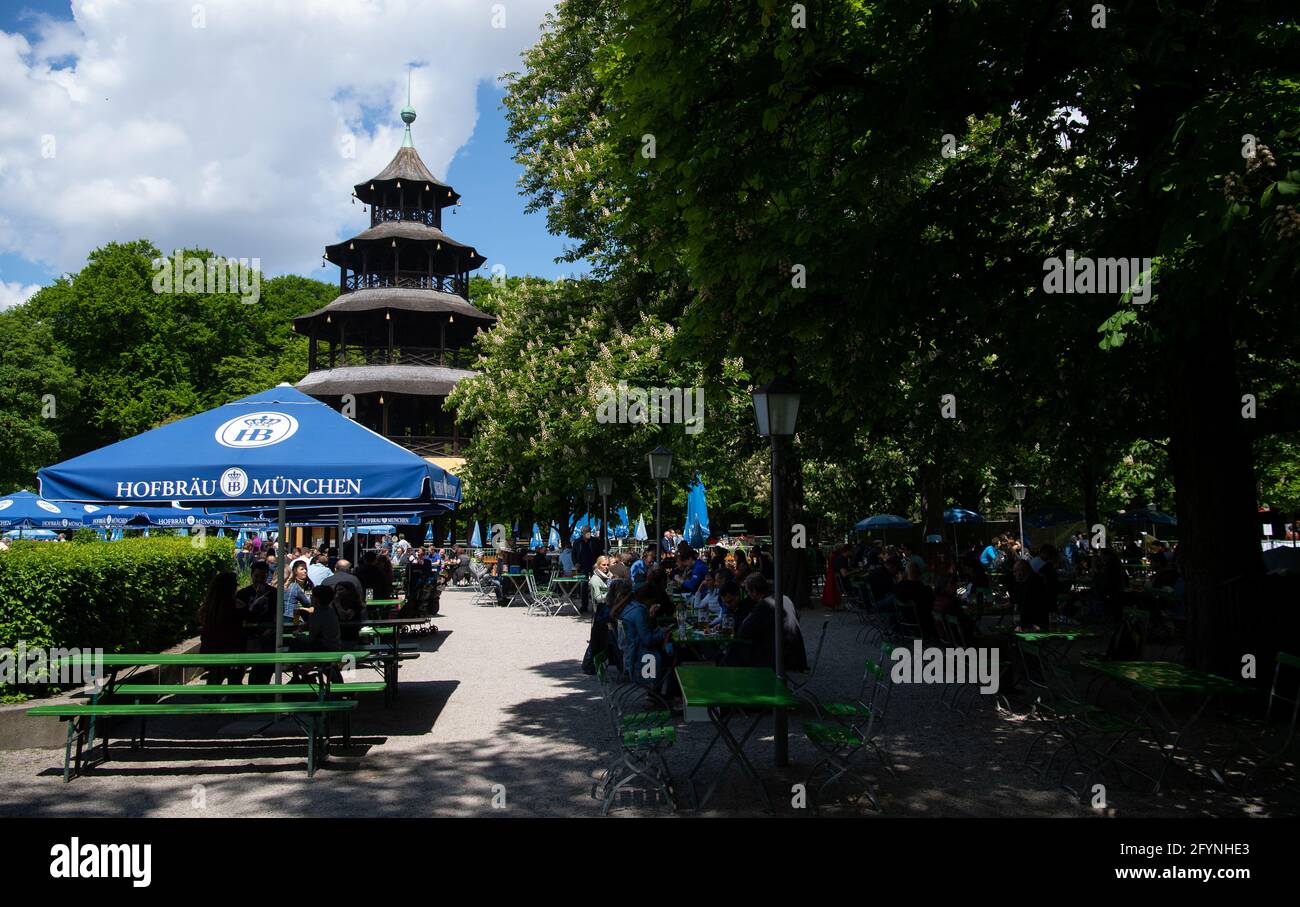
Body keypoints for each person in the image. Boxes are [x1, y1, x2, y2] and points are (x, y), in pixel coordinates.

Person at [726, 574, 807, 671]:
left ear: (755, 591)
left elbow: (743, 631)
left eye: (748, 592)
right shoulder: (784, 598)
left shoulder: (765, 605)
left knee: (734, 649)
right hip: (796, 653)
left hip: (781, 656)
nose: (749, 595)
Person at [198, 571, 246, 685]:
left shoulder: (209, 606)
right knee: (235, 673)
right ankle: (232, 695)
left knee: (217, 674)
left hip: (209, 651)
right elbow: (247, 618)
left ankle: (213, 692)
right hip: (232, 651)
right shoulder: (235, 605)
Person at [895, 560, 937, 637]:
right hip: (923, 626)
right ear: (919, 573)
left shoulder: (900, 586)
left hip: (905, 624)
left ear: (907, 572)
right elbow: (932, 605)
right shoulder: (924, 589)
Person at [1010, 557, 1051, 629]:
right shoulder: (1028, 581)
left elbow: (1024, 605)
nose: (1014, 574)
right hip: (1034, 620)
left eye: (1015, 571)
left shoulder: (1032, 583)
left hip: (1035, 622)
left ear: (1021, 572)